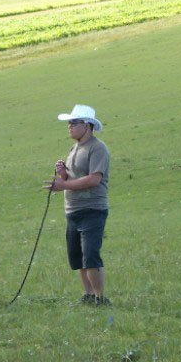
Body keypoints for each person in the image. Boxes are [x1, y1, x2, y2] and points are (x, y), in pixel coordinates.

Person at [44, 104, 111, 306]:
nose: (70, 126)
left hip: (92, 209)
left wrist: (63, 184)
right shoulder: (74, 149)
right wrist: (63, 173)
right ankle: (88, 295)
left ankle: (100, 298)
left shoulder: (98, 148)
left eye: (74, 122)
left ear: (88, 125)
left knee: (90, 255)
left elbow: (94, 179)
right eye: (69, 122)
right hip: (72, 210)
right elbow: (76, 178)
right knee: (78, 257)